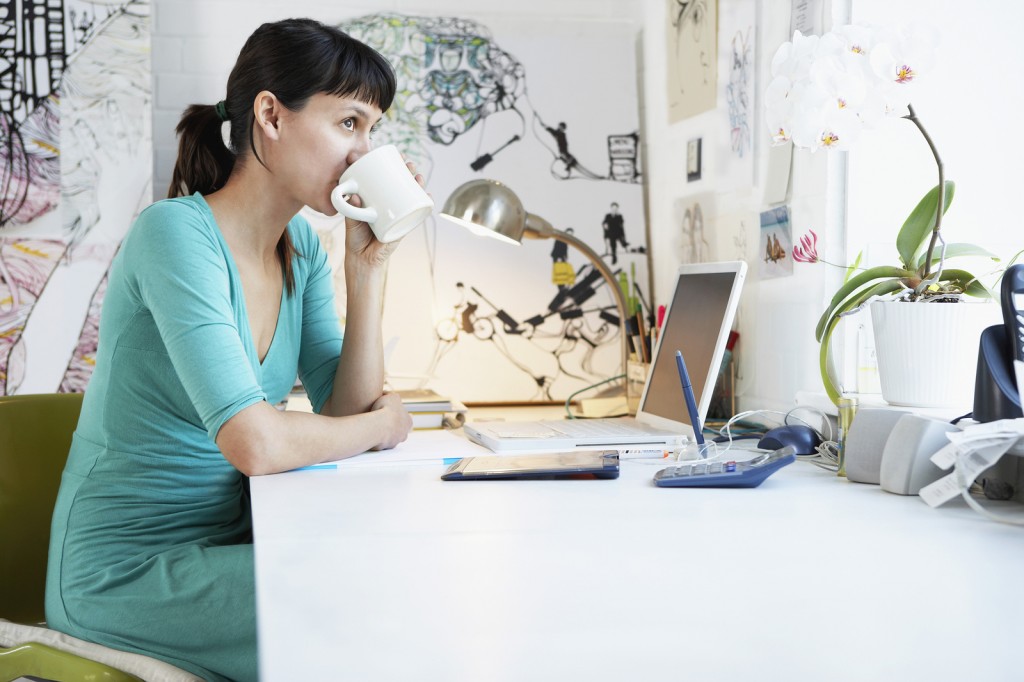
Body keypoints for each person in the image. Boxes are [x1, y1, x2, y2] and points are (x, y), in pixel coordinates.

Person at [44, 18, 413, 682]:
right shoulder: (175, 236)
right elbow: (259, 444)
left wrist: (369, 268)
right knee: (373, 600)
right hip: (126, 575)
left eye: (372, 130)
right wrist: (382, 426)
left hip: (233, 542)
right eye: (350, 124)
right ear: (271, 115)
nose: (365, 154)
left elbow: (341, 407)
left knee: (390, 569)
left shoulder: (299, 249)